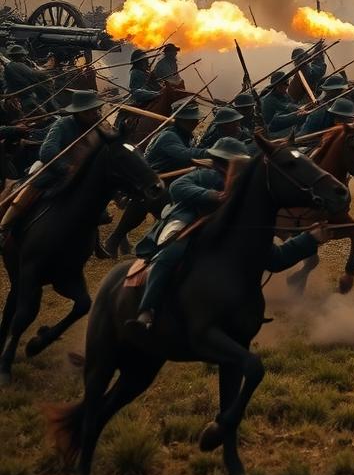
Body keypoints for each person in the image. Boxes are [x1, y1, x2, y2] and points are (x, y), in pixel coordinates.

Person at [127, 138, 332, 332]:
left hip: (230, 227)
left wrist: (309, 238)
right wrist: (214, 196)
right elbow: (178, 187)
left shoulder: (245, 187)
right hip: (189, 220)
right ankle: (147, 309)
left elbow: (276, 260)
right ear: (219, 162)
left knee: (266, 253)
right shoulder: (203, 175)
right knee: (170, 253)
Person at [0, 89, 105, 242]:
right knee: (31, 186)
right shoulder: (63, 125)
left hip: (82, 167)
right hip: (56, 165)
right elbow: (47, 152)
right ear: (79, 113)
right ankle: (3, 227)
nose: (94, 115)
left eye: (95, 111)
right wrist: (65, 168)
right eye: (89, 112)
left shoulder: (98, 124)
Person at [143, 101, 202, 175]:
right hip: (156, 177)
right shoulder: (169, 136)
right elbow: (185, 155)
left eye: (196, 120)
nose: (196, 123)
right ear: (181, 120)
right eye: (192, 120)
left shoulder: (185, 135)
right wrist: (207, 153)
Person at [1, 44, 47, 112]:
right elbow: (34, 76)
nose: (25, 57)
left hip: (17, 92)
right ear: (20, 56)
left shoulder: (11, 65)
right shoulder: (18, 65)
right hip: (23, 96)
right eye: (24, 55)